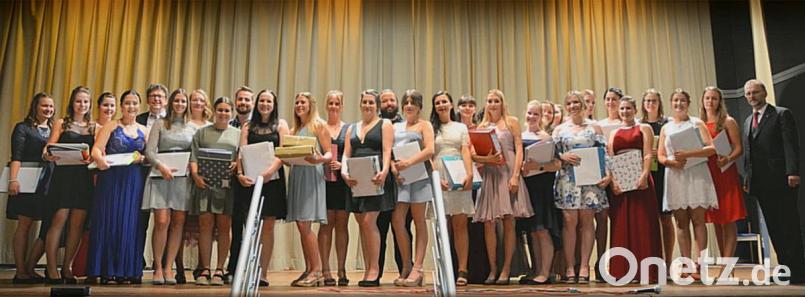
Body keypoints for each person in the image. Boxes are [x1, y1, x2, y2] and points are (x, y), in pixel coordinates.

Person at [741, 79, 805, 283]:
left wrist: (792, 172)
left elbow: (790, 145)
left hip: (782, 180)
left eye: (755, 92)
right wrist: (748, 179)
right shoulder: (747, 121)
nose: (752, 96)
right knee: (774, 228)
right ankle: (785, 269)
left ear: (765, 93)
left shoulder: (781, 114)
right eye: (749, 94)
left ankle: (799, 270)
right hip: (760, 184)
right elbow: (749, 154)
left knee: (789, 225)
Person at [472, 89, 533, 285]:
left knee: (509, 221)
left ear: (502, 103)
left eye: (496, 100)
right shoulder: (481, 125)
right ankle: (493, 269)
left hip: (508, 171)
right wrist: (486, 159)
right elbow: (474, 155)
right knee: (489, 223)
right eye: (489, 101)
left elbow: (519, 149)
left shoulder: (511, 122)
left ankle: (506, 269)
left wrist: (515, 176)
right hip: (491, 173)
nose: (493, 104)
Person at [87, 89, 148, 284]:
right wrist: (100, 160)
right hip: (111, 179)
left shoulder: (144, 130)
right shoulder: (112, 126)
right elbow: (96, 149)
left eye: (135, 103)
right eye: (128, 103)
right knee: (109, 221)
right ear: (121, 106)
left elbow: (150, 157)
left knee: (130, 224)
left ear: (139, 106)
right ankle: (106, 270)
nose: (131, 107)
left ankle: (127, 271)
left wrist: (143, 158)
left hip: (134, 181)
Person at [657, 88, 718, 280]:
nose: (679, 104)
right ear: (671, 103)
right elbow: (660, 155)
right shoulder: (666, 127)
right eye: (675, 101)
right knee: (681, 222)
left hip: (696, 174)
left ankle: (702, 264)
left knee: (698, 220)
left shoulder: (697, 123)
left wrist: (688, 154)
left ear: (688, 103)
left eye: (682, 100)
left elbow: (712, 148)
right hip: (675, 176)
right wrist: (671, 162)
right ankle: (686, 264)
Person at [141, 88, 199, 285]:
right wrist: (161, 167)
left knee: (178, 223)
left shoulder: (192, 128)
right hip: (161, 176)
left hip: (182, 180)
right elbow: (149, 152)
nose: (180, 105)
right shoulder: (160, 123)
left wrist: (192, 169)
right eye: (177, 101)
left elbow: (194, 155)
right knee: (162, 222)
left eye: (183, 102)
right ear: (171, 103)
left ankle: (168, 268)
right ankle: (157, 266)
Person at [553, 90, 610, 284]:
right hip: (567, 180)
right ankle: (570, 267)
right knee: (569, 223)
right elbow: (552, 155)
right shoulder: (559, 129)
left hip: (590, 179)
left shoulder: (594, 127)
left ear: (583, 105)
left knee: (587, 221)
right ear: (565, 106)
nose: (573, 106)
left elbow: (605, 154)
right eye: (569, 103)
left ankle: (585, 266)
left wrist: (607, 175)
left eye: (576, 102)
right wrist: (562, 156)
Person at [342, 89, 396, 287]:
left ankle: (374, 270)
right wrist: (344, 173)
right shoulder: (352, 128)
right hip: (356, 179)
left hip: (376, 177)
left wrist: (384, 171)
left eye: (371, 102)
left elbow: (387, 150)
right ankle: (368, 269)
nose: (367, 105)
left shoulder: (385, 124)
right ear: (360, 104)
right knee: (362, 225)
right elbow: (346, 154)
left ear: (378, 105)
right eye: (364, 102)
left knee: (368, 222)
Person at [234, 89, 288, 287]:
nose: (265, 104)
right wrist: (240, 174)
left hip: (272, 181)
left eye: (269, 101)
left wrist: (268, 173)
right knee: (251, 226)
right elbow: (241, 152)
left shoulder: (281, 125)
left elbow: (283, 152)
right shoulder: (248, 126)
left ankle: (263, 272)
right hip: (249, 180)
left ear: (274, 104)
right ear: (257, 104)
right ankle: (248, 268)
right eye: (262, 100)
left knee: (268, 226)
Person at [42, 86, 95, 284]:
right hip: (63, 177)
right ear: (72, 102)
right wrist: (48, 153)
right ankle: (51, 267)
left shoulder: (94, 126)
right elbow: (48, 147)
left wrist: (91, 159)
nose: (82, 105)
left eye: (86, 102)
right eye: (78, 101)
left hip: (83, 178)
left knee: (77, 224)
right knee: (59, 218)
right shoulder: (61, 123)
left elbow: (96, 153)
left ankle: (67, 267)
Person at [606, 96, 661, 282]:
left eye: (628, 108)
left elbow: (647, 154)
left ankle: (647, 271)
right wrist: (614, 182)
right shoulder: (614, 133)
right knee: (622, 224)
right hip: (621, 184)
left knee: (643, 223)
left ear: (635, 110)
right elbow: (611, 159)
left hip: (640, 180)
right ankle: (623, 271)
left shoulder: (644, 128)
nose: (625, 112)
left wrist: (644, 175)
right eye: (622, 109)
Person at [189, 97, 240, 286]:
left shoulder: (238, 133)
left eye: (227, 110)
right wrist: (195, 176)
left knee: (224, 227)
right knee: (205, 226)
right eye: (220, 110)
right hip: (205, 186)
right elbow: (193, 157)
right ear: (215, 111)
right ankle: (205, 269)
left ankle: (220, 269)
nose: (223, 113)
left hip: (227, 187)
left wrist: (237, 165)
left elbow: (241, 157)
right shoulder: (202, 133)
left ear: (232, 113)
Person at [285, 92, 332, 287]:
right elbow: (289, 155)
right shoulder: (294, 129)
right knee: (301, 225)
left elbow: (329, 153)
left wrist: (319, 159)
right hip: (297, 176)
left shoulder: (318, 125)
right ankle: (309, 268)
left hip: (312, 176)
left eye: (302, 102)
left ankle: (317, 270)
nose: (299, 105)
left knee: (305, 225)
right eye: (296, 102)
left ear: (311, 105)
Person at [7, 92, 54, 284]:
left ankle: (30, 267)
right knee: (25, 225)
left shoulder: (54, 128)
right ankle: (20, 271)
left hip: (48, 183)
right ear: (35, 106)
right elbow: (16, 156)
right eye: (44, 106)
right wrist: (13, 179)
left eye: (51, 106)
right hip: (26, 181)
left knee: (46, 226)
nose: (48, 110)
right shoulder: (23, 127)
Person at [390, 90, 434, 287]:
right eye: (406, 102)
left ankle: (418, 268)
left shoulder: (425, 125)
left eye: (413, 102)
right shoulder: (396, 127)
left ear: (419, 106)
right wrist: (394, 170)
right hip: (401, 178)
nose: (409, 105)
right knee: (398, 220)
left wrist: (408, 162)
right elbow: (389, 152)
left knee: (418, 221)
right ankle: (406, 264)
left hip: (419, 177)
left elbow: (430, 150)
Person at [431, 91, 475, 286]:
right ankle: (443, 267)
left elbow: (465, 150)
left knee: (460, 224)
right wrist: (435, 178)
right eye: (438, 102)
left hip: (458, 176)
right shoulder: (430, 128)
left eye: (444, 101)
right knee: (442, 226)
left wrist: (469, 174)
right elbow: (428, 155)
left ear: (451, 105)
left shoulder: (460, 127)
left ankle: (462, 269)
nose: (441, 105)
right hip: (439, 176)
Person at [699, 87, 746, 259]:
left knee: (728, 218)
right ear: (702, 101)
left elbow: (738, 148)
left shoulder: (728, 121)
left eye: (714, 98)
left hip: (725, 172)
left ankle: (727, 263)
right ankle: (723, 262)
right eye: (707, 98)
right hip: (708, 173)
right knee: (716, 221)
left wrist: (727, 159)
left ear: (720, 101)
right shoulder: (699, 123)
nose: (710, 102)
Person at [519, 100, 562, 285]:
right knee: (532, 231)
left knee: (543, 230)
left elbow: (557, 165)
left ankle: (545, 272)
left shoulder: (547, 138)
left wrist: (538, 166)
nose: (532, 117)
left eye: (536, 114)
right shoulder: (520, 136)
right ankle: (536, 270)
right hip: (526, 187)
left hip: (542, 188)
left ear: (541, 116)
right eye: (529, 113)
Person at [638, 88, 675, 270]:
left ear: (659, 103)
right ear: (643, 104)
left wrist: (659, 152)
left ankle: (668, 262)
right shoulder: (639, 125)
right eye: (647, 101)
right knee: (647, 221)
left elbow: (674, 148)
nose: (650, 104)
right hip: (645, 175)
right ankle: (651, 262)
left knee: (666, 220)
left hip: (663, 174)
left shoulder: (667, 124)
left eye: (654, 100)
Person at [318, 90, 351, 286]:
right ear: (326, 105)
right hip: (323, 182)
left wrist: (342, 166)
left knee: (342, 225)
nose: (333, 106)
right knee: (326, 225)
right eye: (330, 103)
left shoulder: (348, 129)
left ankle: (342, 268)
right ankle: (325, 270)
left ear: (341, 106)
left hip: (342, 182)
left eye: (337, 103)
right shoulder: (319, 127)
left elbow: (350, 154)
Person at [376, 89, 411, 280]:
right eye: (384, 101)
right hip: (382, 184)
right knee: (379, 230)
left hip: (405, 183)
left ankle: (406, 270)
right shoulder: (376, 124)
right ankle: (375, 274)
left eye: (392, 100)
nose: (389, 103)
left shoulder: (406, 124)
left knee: (403, 228)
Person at [594, 87, 623, 281]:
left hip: (623, 178)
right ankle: (601, 263)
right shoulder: (598, 125)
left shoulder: (629, 123)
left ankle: (621, 264)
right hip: (602, 178)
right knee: (602, 221)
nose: (611, 102)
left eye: (615, 99)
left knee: (621, 222)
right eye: (608, 99)